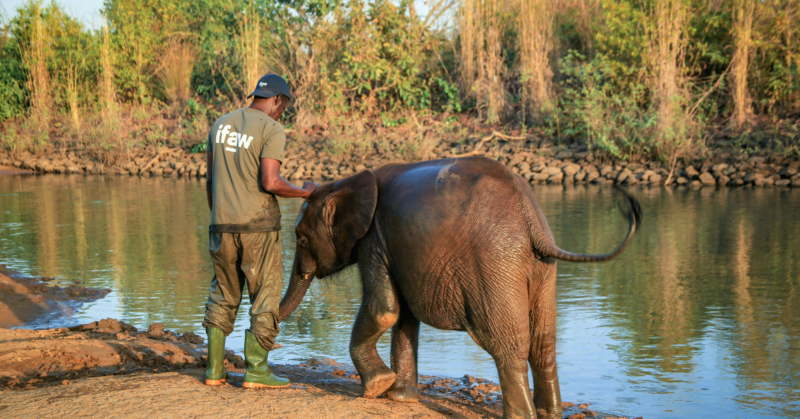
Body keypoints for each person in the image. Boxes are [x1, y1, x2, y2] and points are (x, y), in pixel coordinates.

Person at [202, 74, 318, 388]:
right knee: (265, 295)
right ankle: (256, 371)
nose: (282, 113)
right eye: (284, 106)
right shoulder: (271, 129)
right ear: (278, 100)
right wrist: (307, 193)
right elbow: (271, 182)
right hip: (258, 227)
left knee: (223, 294)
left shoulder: (220, 124)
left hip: (221, 225)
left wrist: (217, 214)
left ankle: (214, 371)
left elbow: (210, 180)